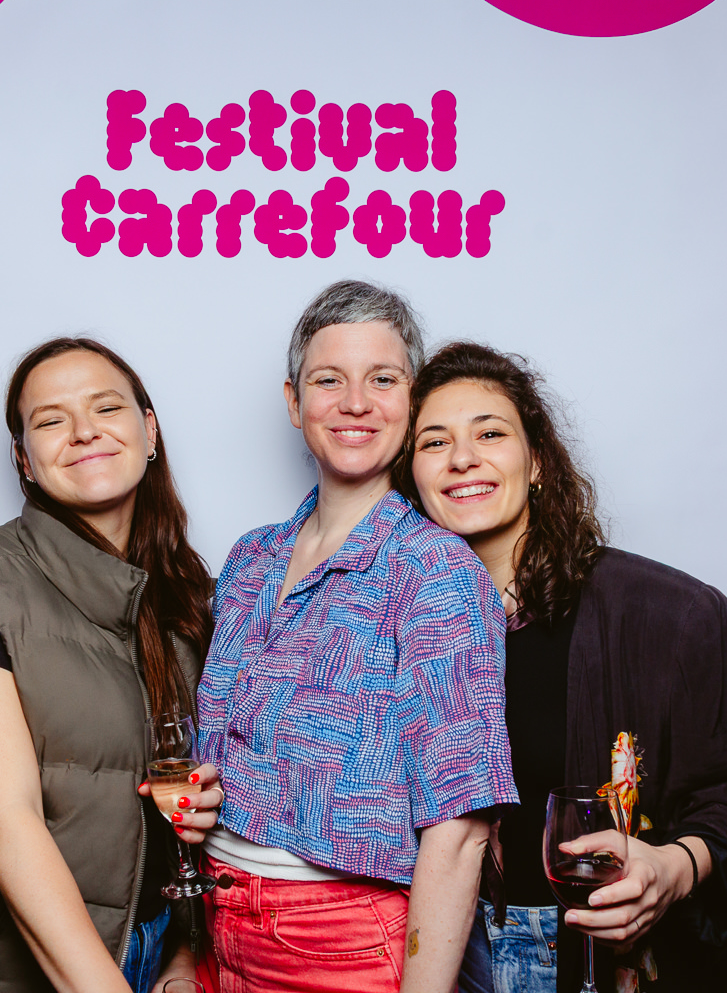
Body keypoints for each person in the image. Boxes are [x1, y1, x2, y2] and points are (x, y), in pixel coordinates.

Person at [400, 342, 727, 993]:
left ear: (537, 461)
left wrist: (673, 867)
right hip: (446, 953)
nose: (462, 457)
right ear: (412, 477)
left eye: (490, 433)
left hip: (603, 959)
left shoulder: (675, 616)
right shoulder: (392, 629)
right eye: (434, 442)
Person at [0, 338, 218, 993]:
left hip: (143, 956)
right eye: (51, 419)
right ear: (24, 459)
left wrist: (182, 955)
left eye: (106, 408)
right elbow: (5, 819)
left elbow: (180, 811)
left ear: (149, 431)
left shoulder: (188, 600)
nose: (84, 431)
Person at [192, 281, 520, 993]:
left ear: (412, 399)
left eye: (383, 379)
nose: (355, 403)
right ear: (293, 402)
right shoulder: (250, 560)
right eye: (328, 380)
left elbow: (461, 829)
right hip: (217, 928)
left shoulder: (434, 570)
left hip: (343, 944)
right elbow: (216, 758)